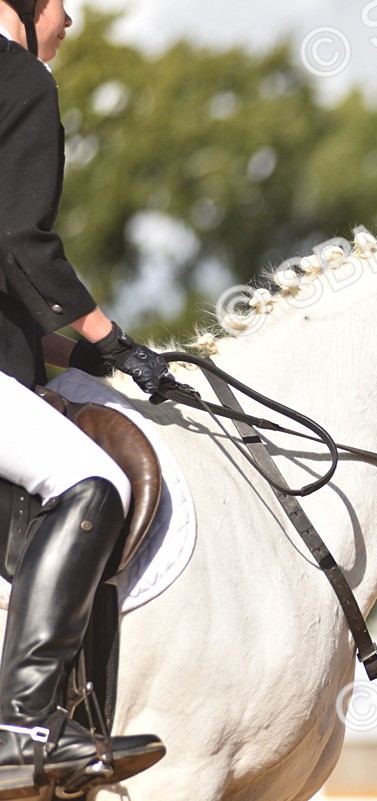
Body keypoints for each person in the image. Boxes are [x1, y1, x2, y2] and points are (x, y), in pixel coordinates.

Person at [0, 0, 178, 793]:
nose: (70, 17)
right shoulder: (20, 82)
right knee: (92, 482)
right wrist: (115, 339)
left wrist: (78, 354)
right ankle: (24, 724)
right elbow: (20, 241)